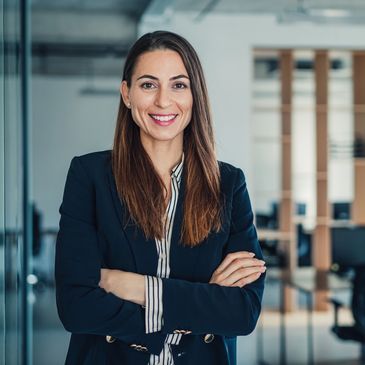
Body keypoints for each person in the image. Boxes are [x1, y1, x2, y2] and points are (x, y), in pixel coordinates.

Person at [55, 30, 266, 365]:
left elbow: (243, 313)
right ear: (127, 93)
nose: (163, 101)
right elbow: (76, 308)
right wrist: (202, 303)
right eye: (148, 84)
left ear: (195, 95)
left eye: (179, 85)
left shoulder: (228, 185)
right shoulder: (90, 176)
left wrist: (131, 286)